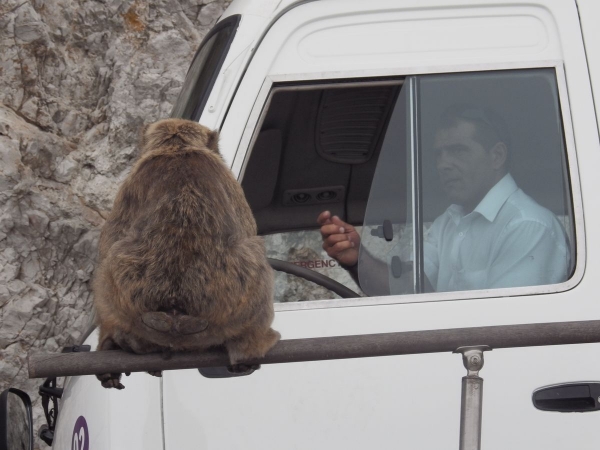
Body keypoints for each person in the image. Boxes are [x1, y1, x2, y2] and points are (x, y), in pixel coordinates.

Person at [318, 104, 570, 295]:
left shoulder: (528, 226)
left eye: (458, 151)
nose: (443, 164)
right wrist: (357, 258)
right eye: (438, 154)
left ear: (497, 155)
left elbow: (508, 328)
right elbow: (406, 289)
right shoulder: (449, 222)